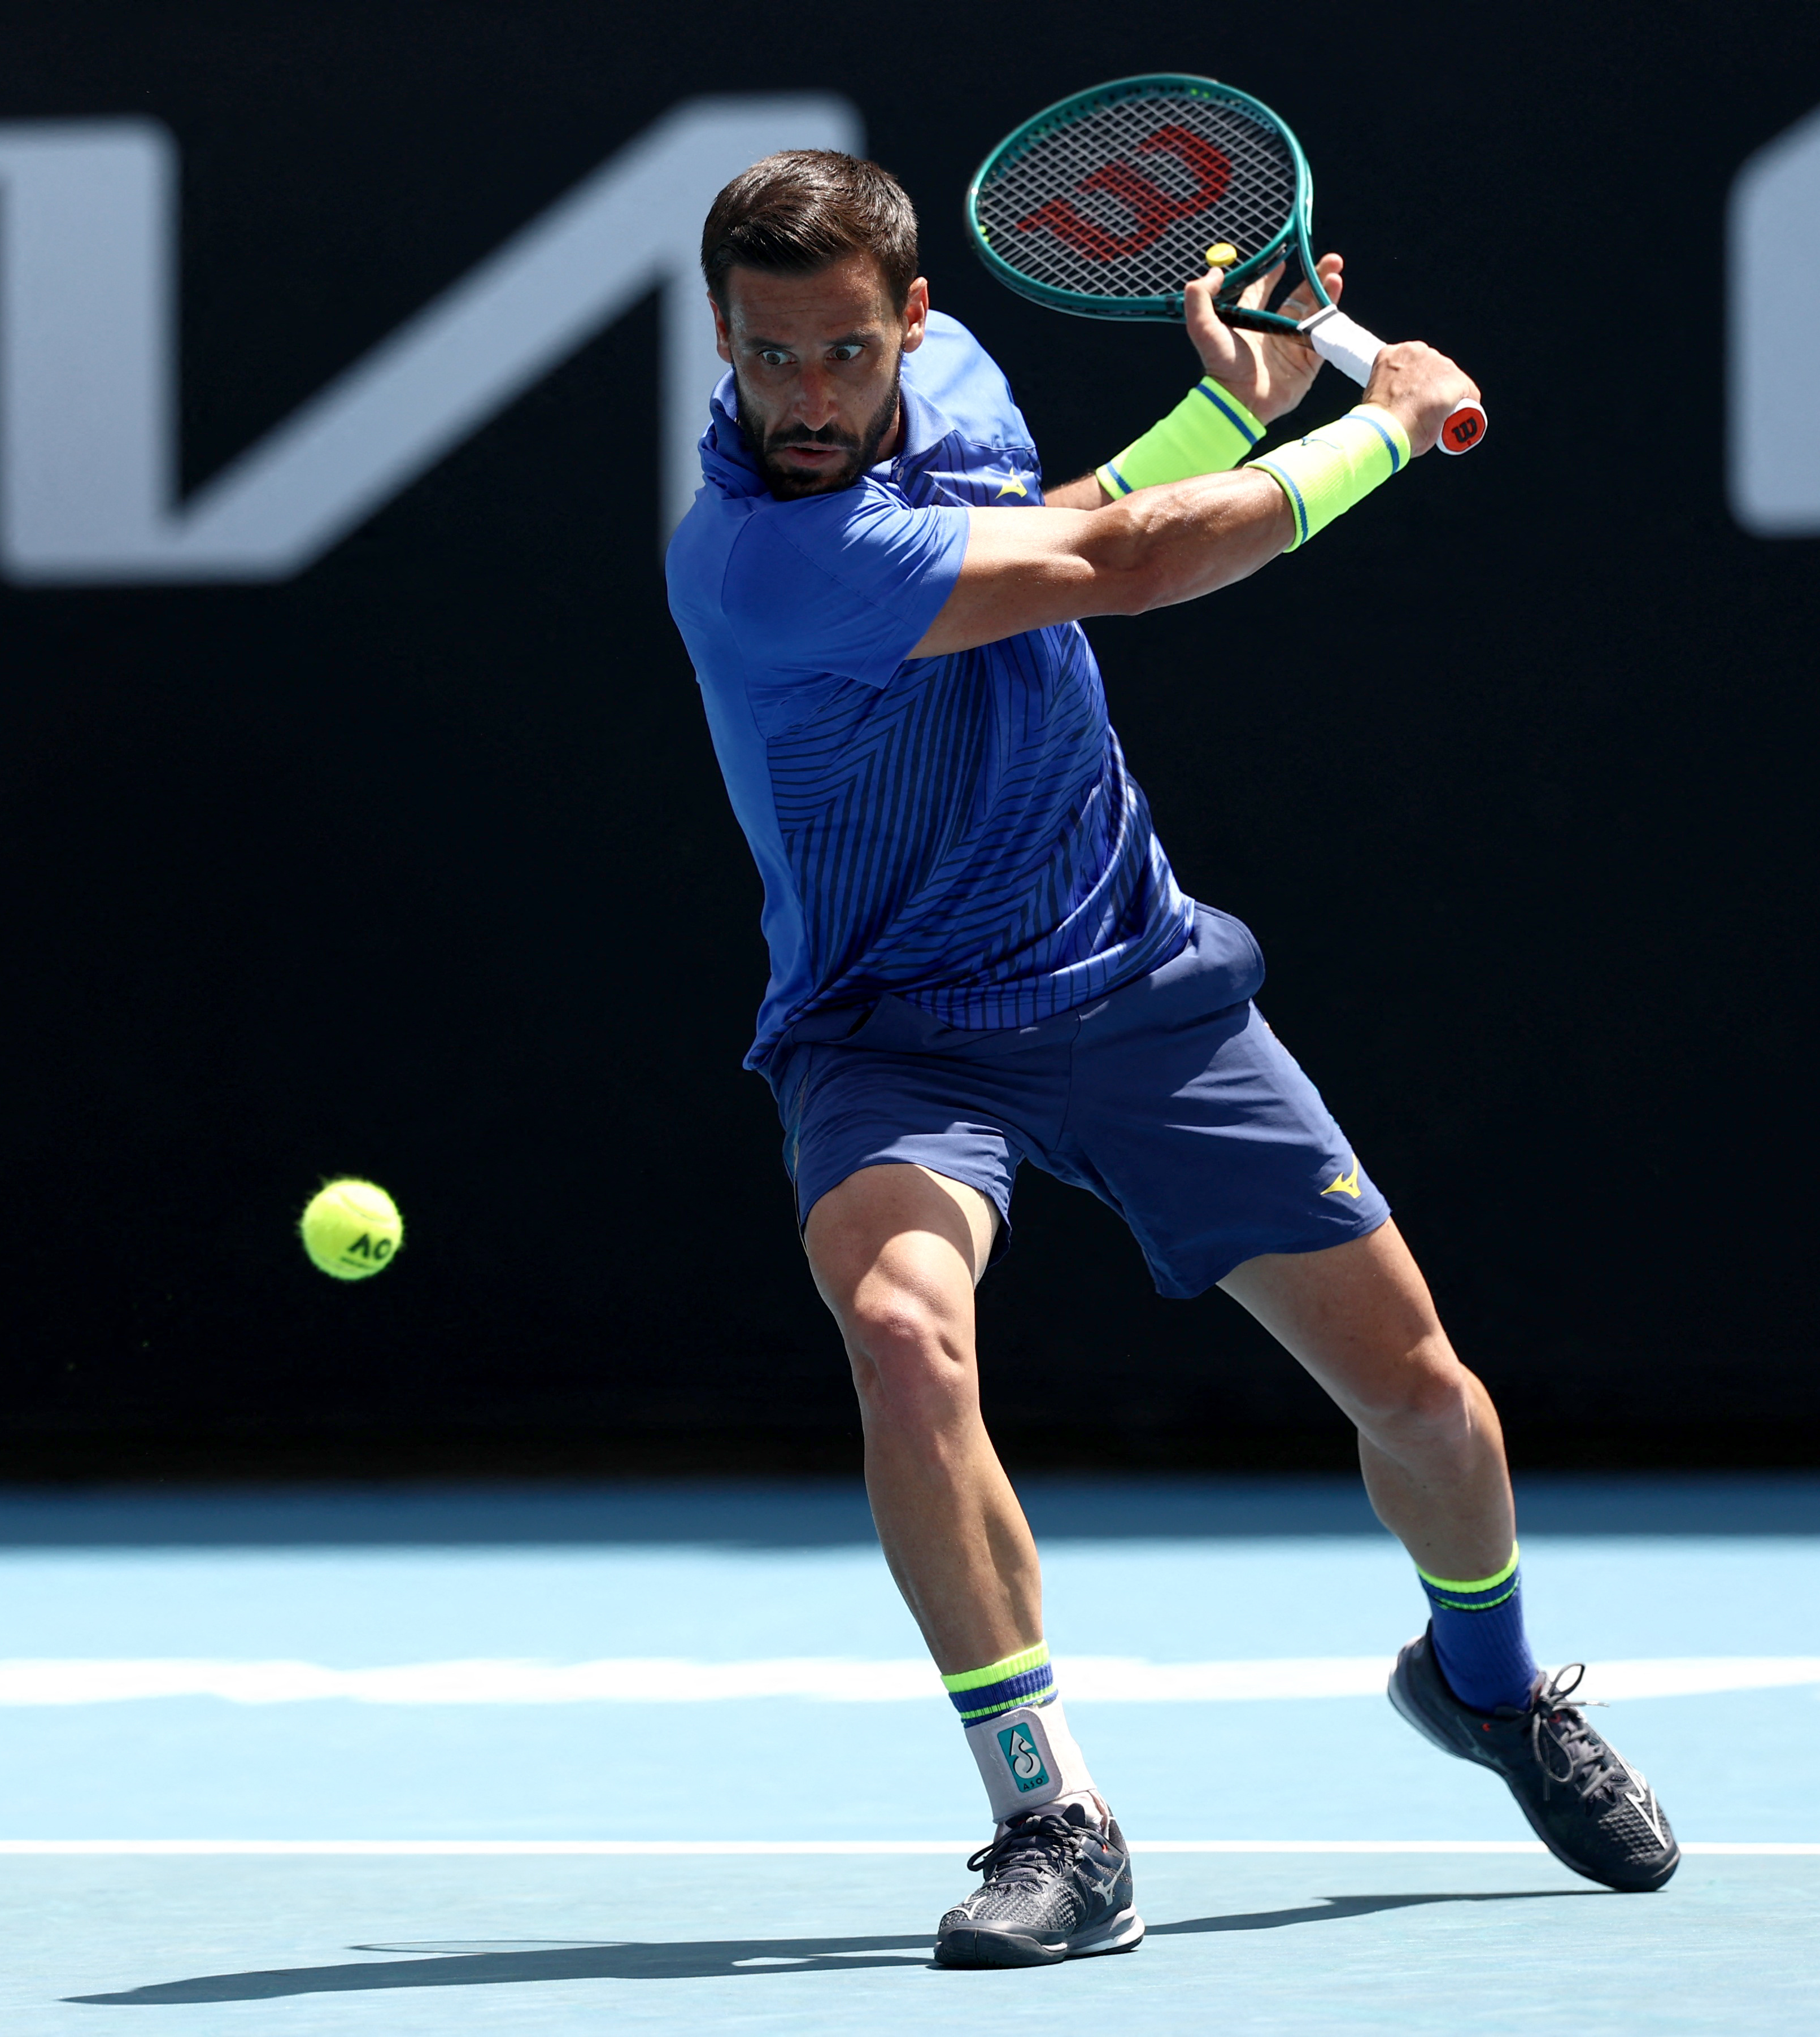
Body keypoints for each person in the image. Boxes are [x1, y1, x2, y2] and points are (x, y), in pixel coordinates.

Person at [664, 153, 1677, 1970]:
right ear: (719, 337)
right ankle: (1047, 1810)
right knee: (900, 1332)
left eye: (835, 355)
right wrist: (1379, 427)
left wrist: (1229, 407)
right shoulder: (753, 556)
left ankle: (1489, 1682)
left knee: (1423, 1398)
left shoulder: (954, 383)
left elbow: (1056, 520)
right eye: (761, 359)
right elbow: (1117, 567)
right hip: (889, 1032)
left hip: (1131, 981)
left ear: (909, 321)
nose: (800, 401)